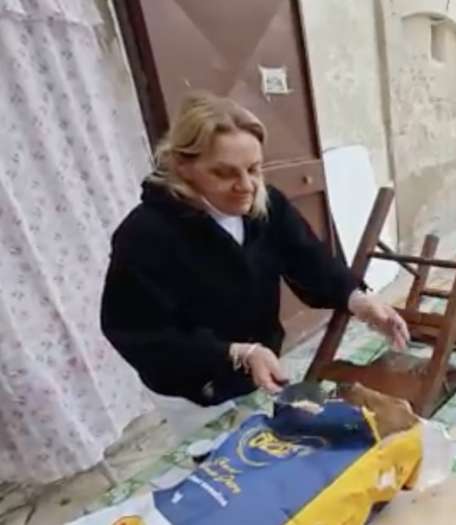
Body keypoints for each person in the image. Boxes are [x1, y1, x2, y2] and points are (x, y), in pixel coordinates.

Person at [101, 92, 410, 435]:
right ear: (182, 166)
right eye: (223, 173)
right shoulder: (145, 234)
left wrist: (359, 301)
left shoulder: (266, 205)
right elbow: (137, 330)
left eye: (254, 169)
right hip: (194, 389)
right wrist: (235, 353)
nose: (246, 186)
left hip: (258, 370)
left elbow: (309, 260)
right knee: (223, 463)